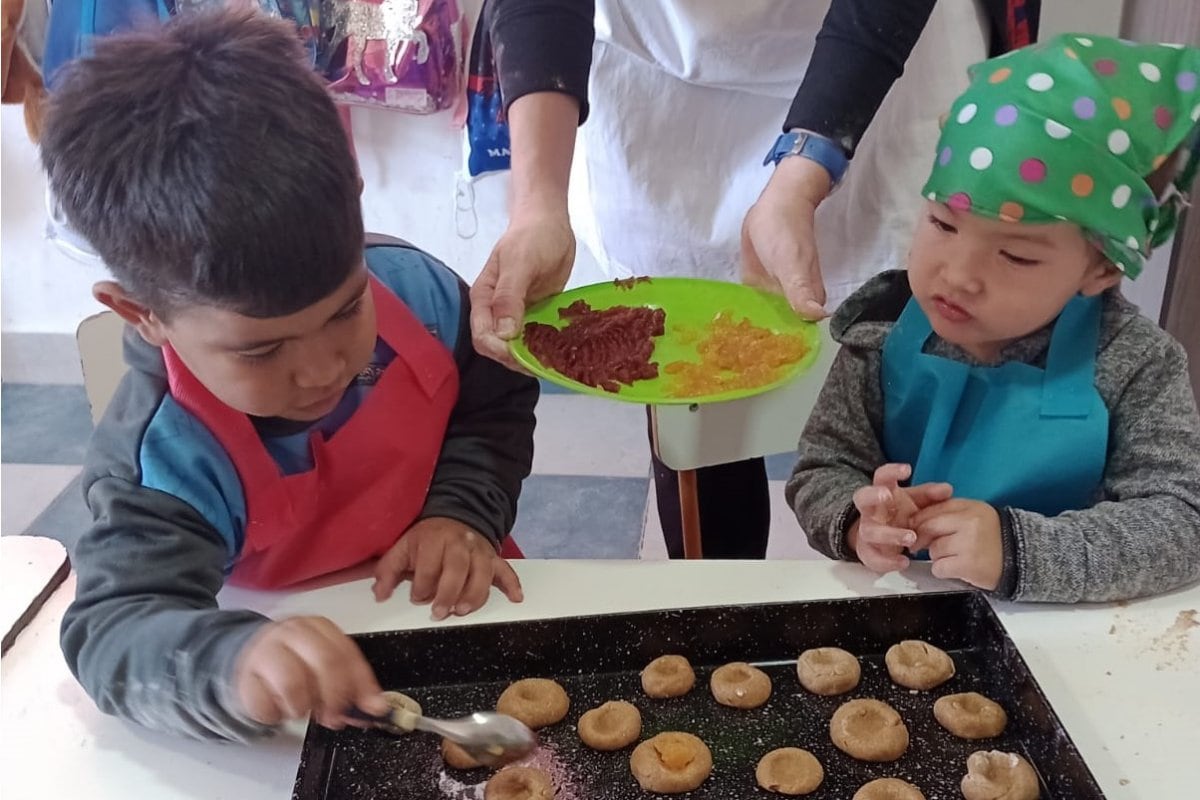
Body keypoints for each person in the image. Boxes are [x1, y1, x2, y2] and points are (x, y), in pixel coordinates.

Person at [41, 7, 538, 740]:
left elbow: (495, 399)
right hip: (291, 679)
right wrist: (230, 660)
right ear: (141, 313)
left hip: (454, 594)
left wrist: (462, 510)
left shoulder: (426, 297)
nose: (324, 370)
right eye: (260, 351)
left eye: (345, 310)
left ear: (357, 199)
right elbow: (111, 630)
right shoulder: (166, 451)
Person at [473, 0, 1041, 559]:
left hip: (878, 61)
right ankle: (719, 611)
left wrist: (800, 181)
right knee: (694, 402)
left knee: (896, 406)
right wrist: (538, 206)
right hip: (663, 80)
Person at [787, 35, 1200, 603]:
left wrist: (1019, 550)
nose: (957, 276)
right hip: (900, 614)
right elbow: (822, 468)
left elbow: (1184, 523)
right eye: (942, 224)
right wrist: (858, 522)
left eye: (1015, 255)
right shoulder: (879, 332)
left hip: (1066, 638)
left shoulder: (1135, 364)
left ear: (1101, 270)